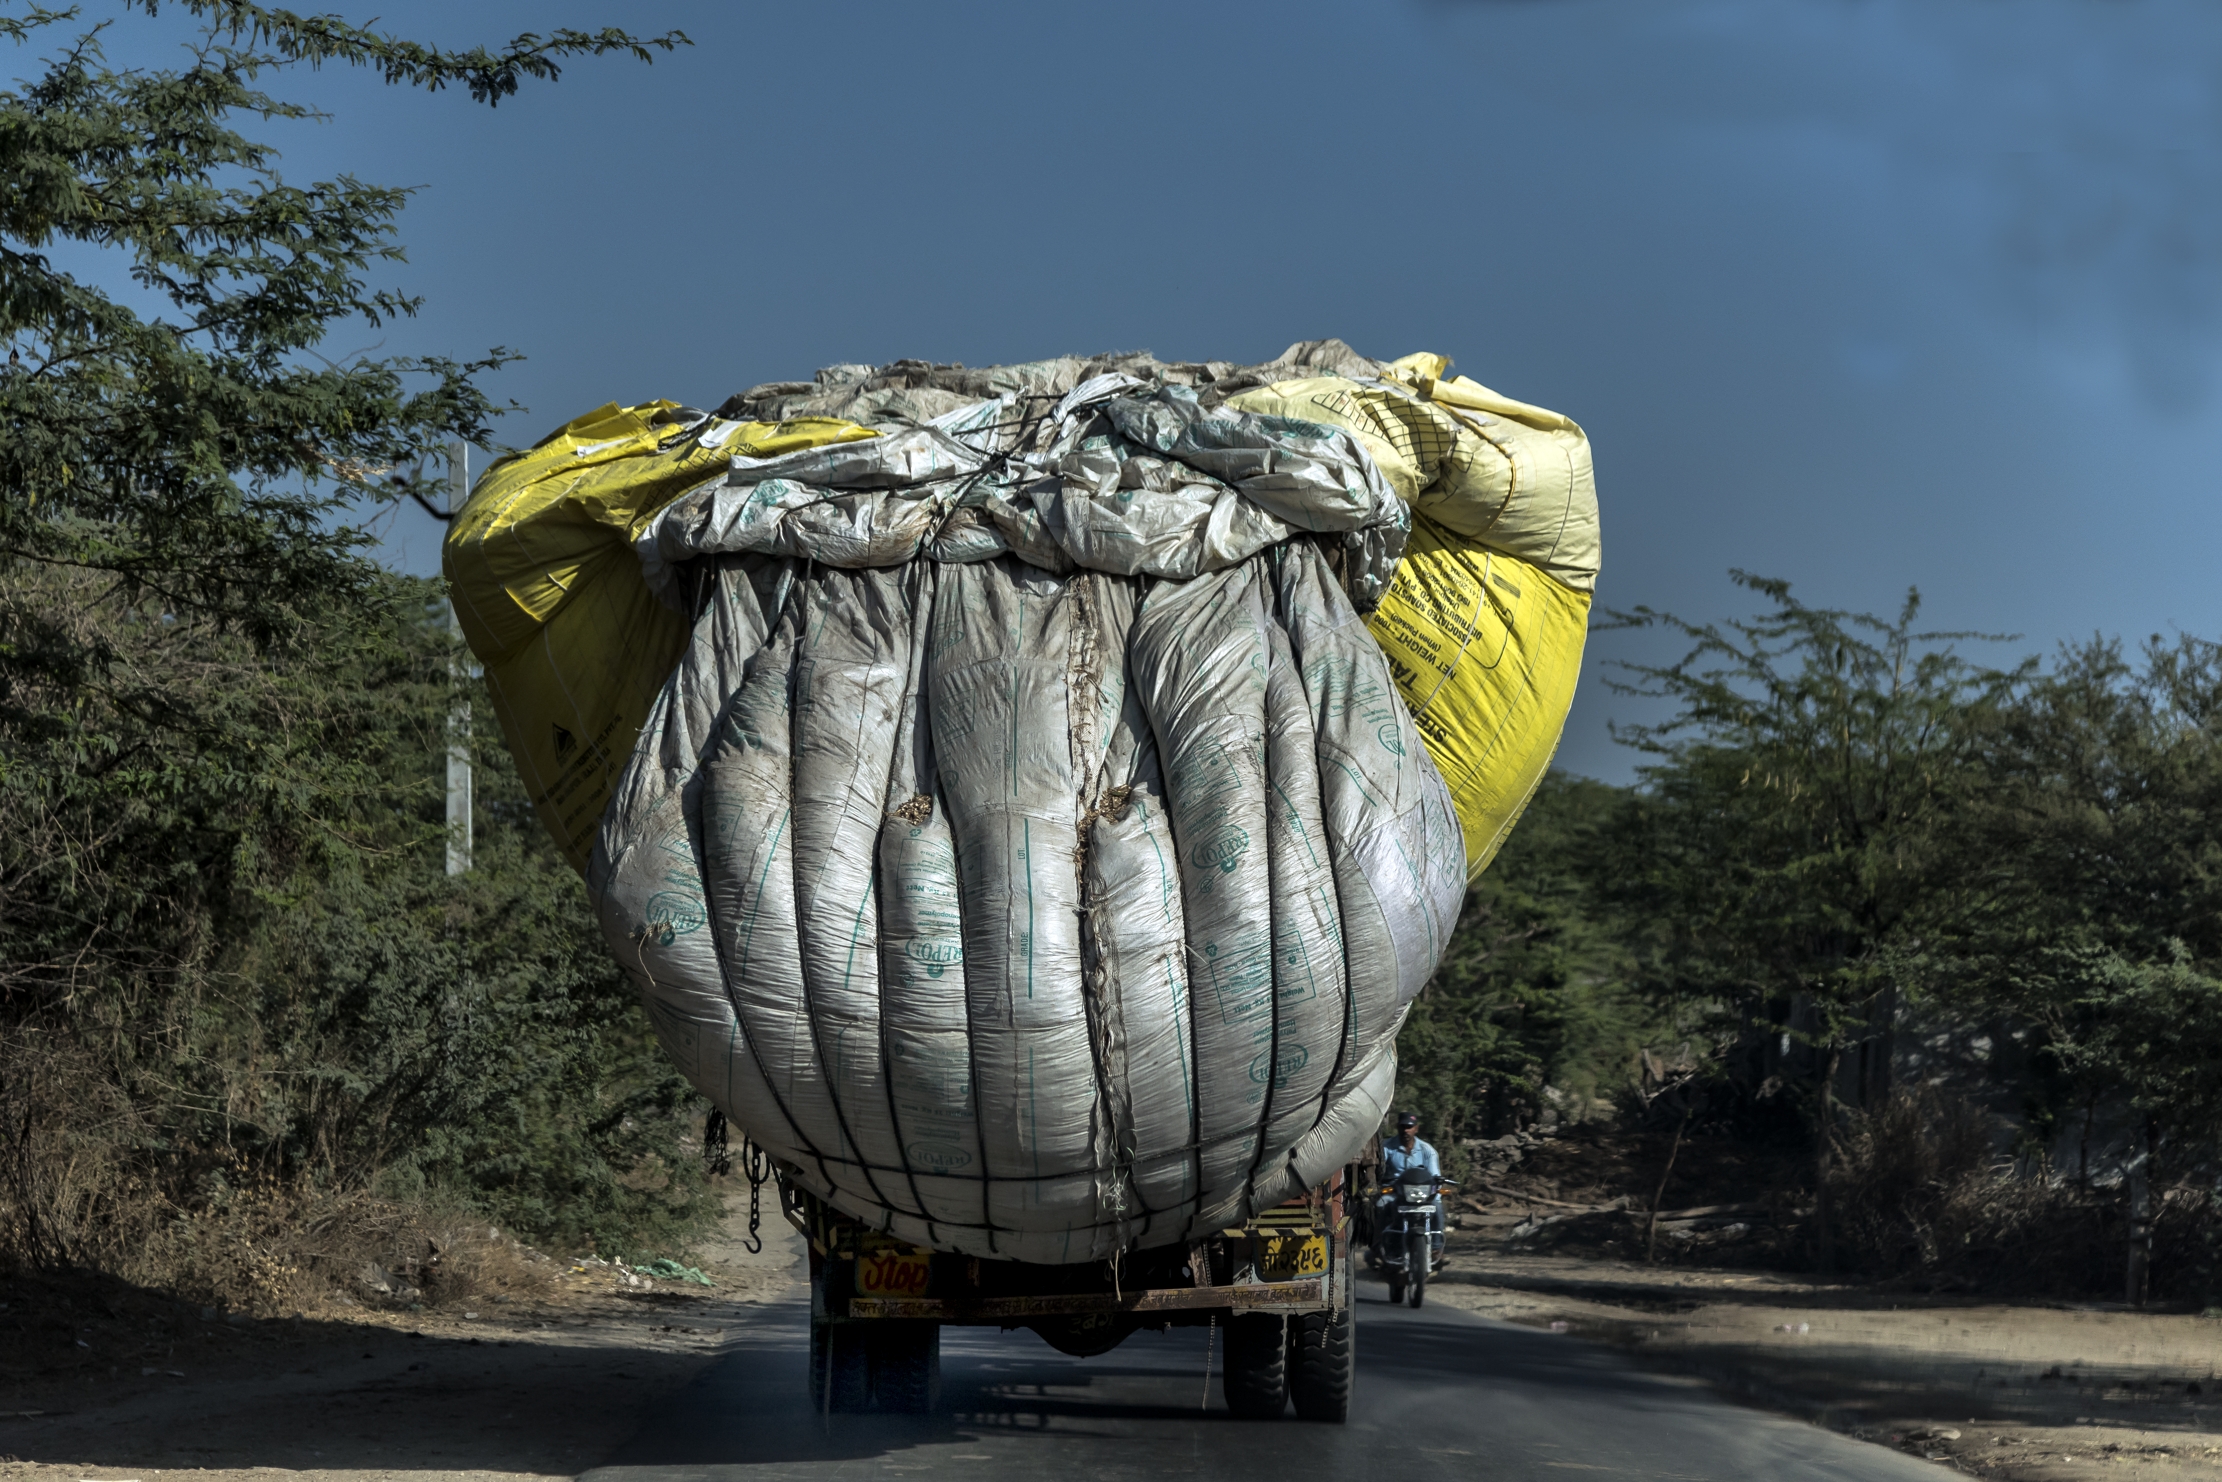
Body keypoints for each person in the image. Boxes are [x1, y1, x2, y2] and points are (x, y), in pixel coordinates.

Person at [1375, 1112, 1446, 1265]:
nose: (1406, 1130)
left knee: (1437, 1208)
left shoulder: (1427, 1150)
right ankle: (1379, 1245)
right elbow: (1378, 1171)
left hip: (1422, 1195)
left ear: (1416, 1129)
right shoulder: (1387, 1148)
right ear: (1397, 1127)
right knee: (1380, 1205)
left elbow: (1435, 1176)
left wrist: (1435, 1196)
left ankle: (1436, 1249)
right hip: (1396, 1193)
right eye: (1403, 1126)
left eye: (1409, 1127)